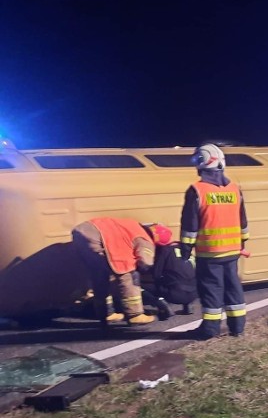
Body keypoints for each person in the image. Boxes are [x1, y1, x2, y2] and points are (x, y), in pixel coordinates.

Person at [180, 143, 250, 339]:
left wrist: (185, 250)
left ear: (201, 163)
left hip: (209, 253)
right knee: (233, 288)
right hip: (233, 251)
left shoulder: (197, 190)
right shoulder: (235, 189)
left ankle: (209, 330)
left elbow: (190, 225)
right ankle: (237, 328)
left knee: (211, 290)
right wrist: (242, 243)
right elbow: (243, 221)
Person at [71, 218, 170, 325]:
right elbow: (146, 262)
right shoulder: (145, 239)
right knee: (129, 275)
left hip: (83, 231)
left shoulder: (134, 225)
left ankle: (106, 313)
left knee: (100, 275)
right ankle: (135, 315)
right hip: (97, 235)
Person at [140, 226, 198, 319]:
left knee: (139, 287)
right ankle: (188, 305)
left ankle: (162, 305)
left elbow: (156, 274)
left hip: (175, 295)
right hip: (194, 293)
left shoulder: (165, 251)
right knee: (183, 277)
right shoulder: (184, 247)